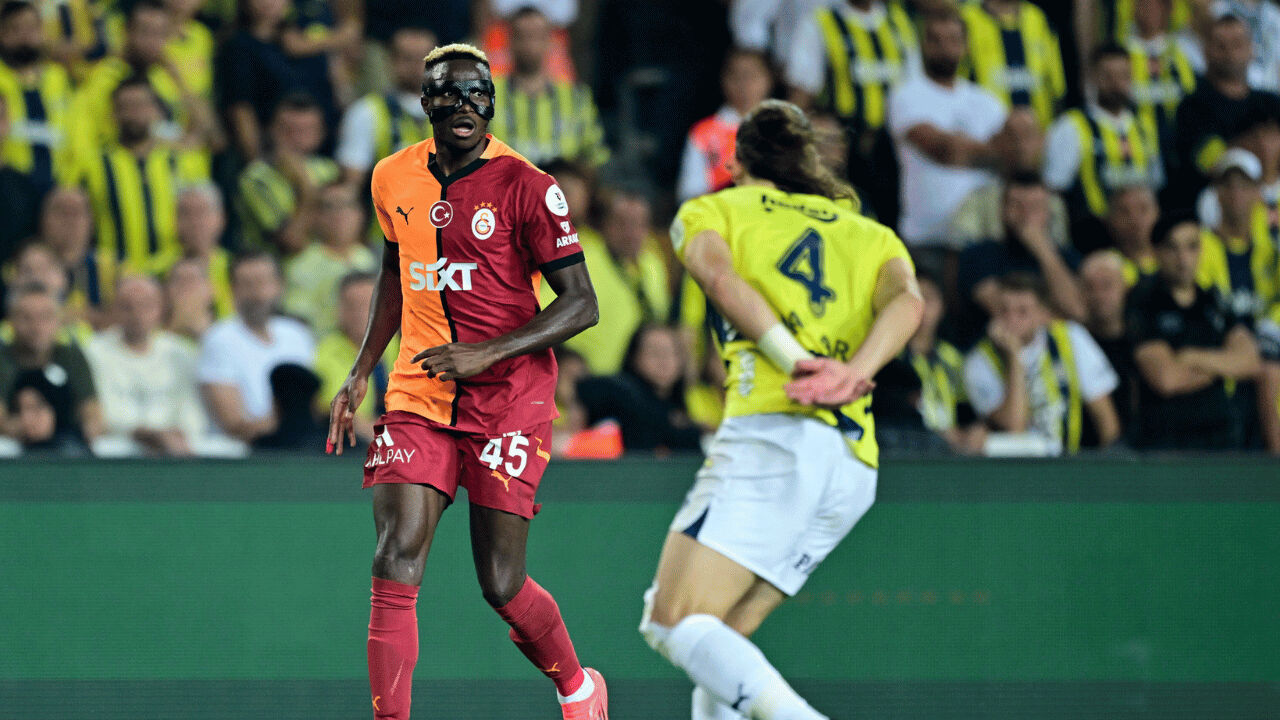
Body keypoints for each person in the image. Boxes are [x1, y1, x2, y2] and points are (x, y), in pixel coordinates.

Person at [323, 44, 607, 720]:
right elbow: (396, 272)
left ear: (492, 103)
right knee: (395, 555)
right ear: (425, 103)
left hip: (509, 400)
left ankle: (576, 686)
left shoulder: (528, 185)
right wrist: (362, 368)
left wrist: (488, 353)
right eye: (448, 94)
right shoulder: (392, 177)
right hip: (420, 392)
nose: (464, 106)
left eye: (478, 93)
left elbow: (581, 303)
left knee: (501, 583)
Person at [639, 99, 924, 720]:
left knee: (672, 619)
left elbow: (721, 279)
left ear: (737, 160)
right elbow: (908, 303)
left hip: (773, 435)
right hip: (853, 465)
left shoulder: (712, 209)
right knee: (720, 640)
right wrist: (854, 372)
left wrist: (795, 359)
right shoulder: (873, 234)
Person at [1127, 213, 1262, 449]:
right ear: (1157, 251)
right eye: (1173, 248)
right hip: (1165, 441)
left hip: (1220, 436)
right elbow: (1166, 379)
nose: (1183, 259)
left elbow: (1250, 362)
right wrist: (1222, 367)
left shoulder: (1214, 301)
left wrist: (1191, 357)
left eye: (1192, 247)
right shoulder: (1143, 300)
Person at [887, 10, 1015, 255]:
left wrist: (971, 150)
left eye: (953, 40)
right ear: (923, 45)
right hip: (927, 238)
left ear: (966, 46)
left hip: (982, 237)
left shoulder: (987, 100)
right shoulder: (906, 94)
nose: (944, 47)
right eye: (935, 39)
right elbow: (945, 150)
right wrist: (993, 153)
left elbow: (1014, 156)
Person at [787, 0, 919, 220]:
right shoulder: (822, 22)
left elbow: (916, 89)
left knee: (891, 220)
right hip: (843, 149)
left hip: (894, 148)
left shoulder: (901, 22)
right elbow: (802, 93)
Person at [964, 273, 1121, 454]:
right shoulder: (979, 362)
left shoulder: (1070, 337)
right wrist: (1014, 358)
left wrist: (1110, 460)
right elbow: (1014, 427)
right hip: (1015, 469)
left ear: (1043, 314)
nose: (1011, 319)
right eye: (1004, 310)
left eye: (1022, 311)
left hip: (1069, 463)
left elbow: (1104, 416)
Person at [73, 76, 210, 277]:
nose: (134, 113)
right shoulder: (92, 166)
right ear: (113, 114)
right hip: (112, 277)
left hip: (173, 275)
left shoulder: (183, 162)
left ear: (156, 111)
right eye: (126, 106)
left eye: (141, 105)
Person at [197, 251, 314, 447]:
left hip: (298, 448)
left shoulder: (297, 334)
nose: (257, 293)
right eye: (247, 284)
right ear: (233, 289)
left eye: (263, 282)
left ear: (279, 285)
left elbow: (315, 401)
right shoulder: (219, 338)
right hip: (243, 453)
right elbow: (233, 425)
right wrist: (293, 422)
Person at [84, 274, 209, 457]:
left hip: (175, 446)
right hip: (120, 447)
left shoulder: (180, 352)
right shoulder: (94, 351)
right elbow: (102, 414)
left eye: (146, 306)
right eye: (127, 307)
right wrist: (146, 434)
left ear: (160, 310)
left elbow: (192, 410)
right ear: (114, 310)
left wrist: (178, 432)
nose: (137, 314)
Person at [70, 0, 216, 155]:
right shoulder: (107, 77)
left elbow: (208, 130)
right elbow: (114, 142)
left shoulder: (161, 76)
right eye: (145, 32)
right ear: (126, 32)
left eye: (160, 34)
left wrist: (178, 80)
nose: (153, 43)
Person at [1045, 43, 1163, 225]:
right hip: (1092, 233)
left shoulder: (1144, 126)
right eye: (1107, 76)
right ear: (1092, 78)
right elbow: (1055, 188)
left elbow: (1155, 183)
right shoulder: (1072, 125)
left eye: (1123, 76)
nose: (1116, 84)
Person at [556, 189, 671, 375]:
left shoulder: (653, 264)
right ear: (605, 225)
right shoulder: (582, 262)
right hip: (591, 381)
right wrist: (566, 360)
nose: (631, 233)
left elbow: (660, 318)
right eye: (622, 223)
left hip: (639, 383)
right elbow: (543, 313)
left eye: (639, 224)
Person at [1173, 14, 1280, 209]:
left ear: (1251, 50)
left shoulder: (1272, 103)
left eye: (1237, 44)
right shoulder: (1191, 107)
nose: (1230, 53)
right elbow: (1215, 164)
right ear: (1206, 52)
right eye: (1221, 46)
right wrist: (1265, 149)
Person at [874, 273, 986, 454]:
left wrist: (975, 428)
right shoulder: (886, 355)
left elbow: (964, 408)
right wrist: (935, 433)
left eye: (929, 297)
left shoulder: (953, 358)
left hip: (951, 456)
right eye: (914, 296)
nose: (921, 305)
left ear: (942, 306)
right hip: (905, 451)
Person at [957, 173, 1086, 329]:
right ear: (1002, 211)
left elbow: (1077, 312)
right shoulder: (978, 254)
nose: (1026, 215)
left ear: (1048, 213)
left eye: (1035, 207)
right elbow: (1009, 314)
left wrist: (1044, 251)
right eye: (1017, 205)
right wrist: (1058, 316)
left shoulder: (1068, 257)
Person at [489, 6, 608, 168]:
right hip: (503, 187)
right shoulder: (486, 95)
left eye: (537, 36)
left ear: (551, 42)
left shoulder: (576, 97)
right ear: (509, 41)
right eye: (521, 35)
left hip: (562, 189)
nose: (529, 43)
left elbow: (596, 156)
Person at [0, 282, 102, 450]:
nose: (36, 327)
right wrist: (23, 427)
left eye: (45, 317)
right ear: (10, 321)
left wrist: (84, 429)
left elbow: (92, 411)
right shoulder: (3, 357)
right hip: (13, 447)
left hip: (67, 443)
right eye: (27, 317)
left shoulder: (71, 355)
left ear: (58, 321)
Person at [236, 93, 341, 253]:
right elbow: (291, 242)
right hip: (279, 268)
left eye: (306, 131)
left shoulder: (330, 169)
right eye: (288, 130)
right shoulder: (256, 177)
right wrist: (306, 189)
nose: (297, 138)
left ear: (321, 134)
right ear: (271, 130)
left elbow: (343, 232)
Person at [576, 324, 704, 452]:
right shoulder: (618, 393)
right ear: (634, 356)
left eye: (672, 352)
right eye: (654, 352)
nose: (664, 360)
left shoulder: (684, 403)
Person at [336, 27, 437, 185]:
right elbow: (350, 185)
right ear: (390, 61)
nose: (417, 67)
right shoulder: (366, 112)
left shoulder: (457, 111)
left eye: (425, 59)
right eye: (407, 58)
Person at [676, 48, 773, 203]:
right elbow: (690, 194)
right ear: (723, 79)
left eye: (751, 76)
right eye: (736, 76)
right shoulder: (704, 132)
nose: (744, 85)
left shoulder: (782, 128)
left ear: (769, 79)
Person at [283, 181, 377, 336]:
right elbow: (297, 324)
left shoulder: (368, 258)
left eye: (347, 205)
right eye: (329, 207)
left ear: (360, 214)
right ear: (316, 216)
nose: (339, 214)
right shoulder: (301, 266)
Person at [0, 0, 75, 193]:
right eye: (15, 29)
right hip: (8, 189)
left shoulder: (58, 78)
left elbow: (73, 133)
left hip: (56, 186)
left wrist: (69, 179)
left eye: (31, 28)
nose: (25, 36)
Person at [959, 0, 1066, 128]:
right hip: (985, 136)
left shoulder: (1036, 17)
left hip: (1038, 136)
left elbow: (1057, 87)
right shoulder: (966, 19)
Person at [1126, 0, 1198, 164]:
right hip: (1139, 150)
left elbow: (1195, 95)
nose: (1149, 11)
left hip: (1181, 147)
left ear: (1168, 9)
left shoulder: (1185, 49)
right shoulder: (1120, 51)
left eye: (1155, 5)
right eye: (1143, 4)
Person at [1079, 251, 1138, 438]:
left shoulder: (1145, 341)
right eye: (1090, 287)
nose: (1098, 295)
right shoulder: (1073, 343)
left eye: (1107, 286)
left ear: (1125, 288)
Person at [175, 183, 233, 318]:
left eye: (202, 212)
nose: (194, 222)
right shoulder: (160, 271)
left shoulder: (236, 266)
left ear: (221, 218)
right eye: (186, 214)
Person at [1099, 184, 1161, 283]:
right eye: (1124, 211)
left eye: (1143, 209)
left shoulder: (1182, 257)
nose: (1135, 219)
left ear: (1158, 213)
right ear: (1110, 219)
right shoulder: (1102, 269)